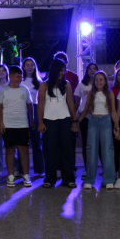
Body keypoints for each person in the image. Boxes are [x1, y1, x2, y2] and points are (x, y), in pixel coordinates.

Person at [39, 58, 79, 188]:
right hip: (49, 120)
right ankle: (50, 178)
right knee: (50, 149)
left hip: (64, 119)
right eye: (60, 70)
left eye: (64, 70)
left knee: (66, 149)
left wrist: (74, 121)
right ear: (54, 70)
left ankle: (68, 178)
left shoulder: (67, 85)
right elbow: (40, 105)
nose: (62, 73)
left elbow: (71, 104)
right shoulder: (44, 85)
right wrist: (40, 122)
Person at [78, 71, 119, 190]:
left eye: (101, 79)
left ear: (105, 81)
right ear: (94, 81)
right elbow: (85, 110)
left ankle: (109, 179)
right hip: (93, 121)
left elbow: (113, 112)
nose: (99, 82)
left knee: (107, 151)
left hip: (106, 121)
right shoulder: (91, 94)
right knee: (91, 150)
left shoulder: (110, 94)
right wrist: (77, 121)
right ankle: (89, 179)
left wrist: (117, 127)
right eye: (96, 80)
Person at [0, 66, 33, 187]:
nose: (19, 79)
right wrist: (0, 123)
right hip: (8, 124)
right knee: (10, 150)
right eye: (17, 77)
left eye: (21, 77)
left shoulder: (24, 89)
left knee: (24, 150)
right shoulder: (3, 90)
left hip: (23, 124)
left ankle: (26, 176)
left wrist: (32, 120)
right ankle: (10, 176)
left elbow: (29, 105)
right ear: (11, 77)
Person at [73, 62, 98, 178]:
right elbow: (77, 103)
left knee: (98, 144)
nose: (92, 70)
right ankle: (87, 169)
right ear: (87, 71)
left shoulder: (100, 84)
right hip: (84, 117)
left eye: (94, 68)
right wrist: (75, 118)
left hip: (98, 116)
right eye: (90, 69)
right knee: (86, 144)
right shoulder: (81, 85)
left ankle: (101, 169)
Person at [20, 57, 44, 176]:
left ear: (34, 67)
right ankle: (21, 169)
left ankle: (39, 169)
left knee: (36, 142)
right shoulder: (20, 81)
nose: (29, 67)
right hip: (22, 110)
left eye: (31, 65)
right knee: (21, 143)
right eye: (27, 65)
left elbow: (41, 101)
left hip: (35, 110)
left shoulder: (39, 82)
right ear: (24, 67)